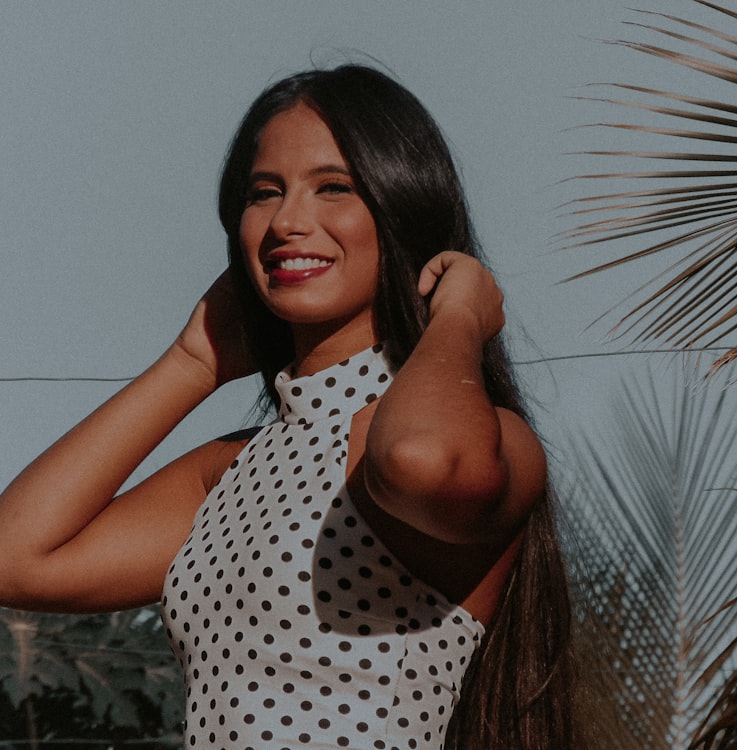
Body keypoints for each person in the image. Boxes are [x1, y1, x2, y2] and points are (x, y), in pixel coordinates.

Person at [0, 65, 577, 749]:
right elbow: (16, 556)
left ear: (402, 207)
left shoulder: (467, 440)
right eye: (263, 193)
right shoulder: (231, 470)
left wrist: (456, 316)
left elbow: (421, 459)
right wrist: (190, 364)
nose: (286, 222)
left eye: (333, 188)